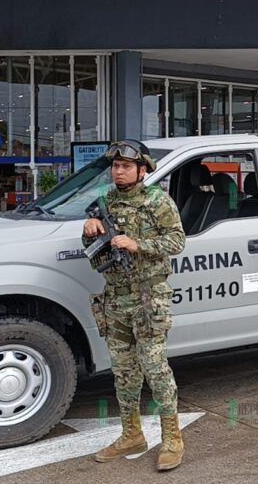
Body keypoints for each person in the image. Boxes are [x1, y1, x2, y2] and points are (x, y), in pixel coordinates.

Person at [83, 139, 187, 470]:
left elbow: (177, 241)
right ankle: (132, 434)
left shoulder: (158, 201)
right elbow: (97, 248)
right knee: (124, 371)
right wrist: (89, 232)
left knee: (155, 367)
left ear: (142, 170)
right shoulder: (106, 202)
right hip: (116, 297)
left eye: (126, 166)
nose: (119, 171)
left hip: (149, 296)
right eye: (115, 166)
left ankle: (173, 438)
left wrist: (137, 244)